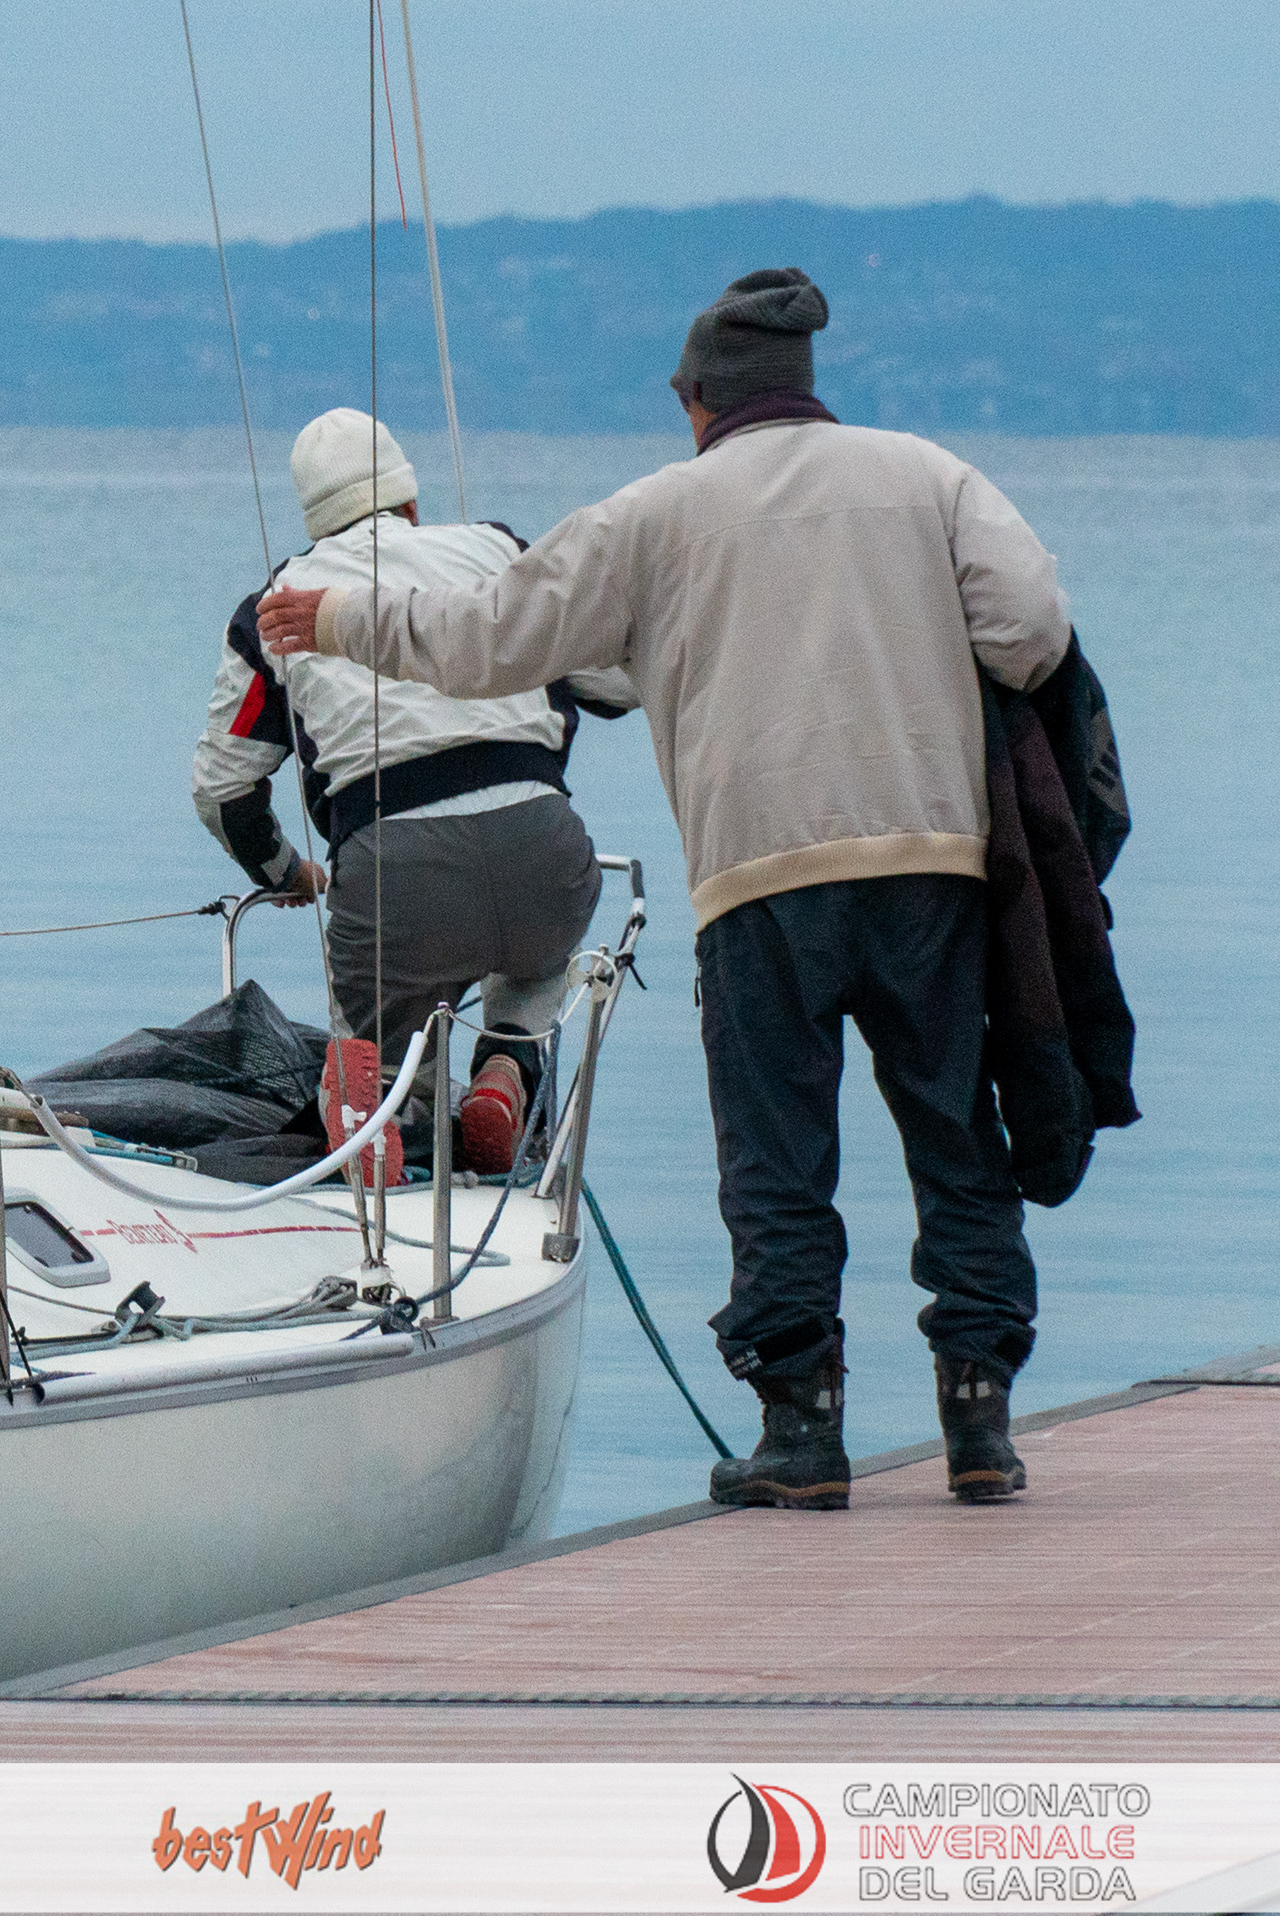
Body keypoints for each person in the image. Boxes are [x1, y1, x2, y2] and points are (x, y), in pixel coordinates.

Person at [256, 270, 1071, 1511]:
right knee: (958, 1136)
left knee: (778, 1157)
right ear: (804, 386)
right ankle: (979, 1420)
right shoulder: (928, 475)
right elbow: (1029, 627)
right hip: (931, 869)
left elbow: (488, 639)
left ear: (695, 402)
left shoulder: (655, 513)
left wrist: (338, 616)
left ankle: (801, 1434)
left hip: (760, 879)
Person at [195, 409, 638, 1174]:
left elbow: (224, 790)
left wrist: (285, 874)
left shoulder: (276, 606)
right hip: (544, 850)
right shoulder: (498, 551)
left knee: (368, 1038)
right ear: (409, 503)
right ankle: (505, 1069)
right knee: (537, 962)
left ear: (314, 516)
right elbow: (617, 682)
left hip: (393, 879)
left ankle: (376, 1129)